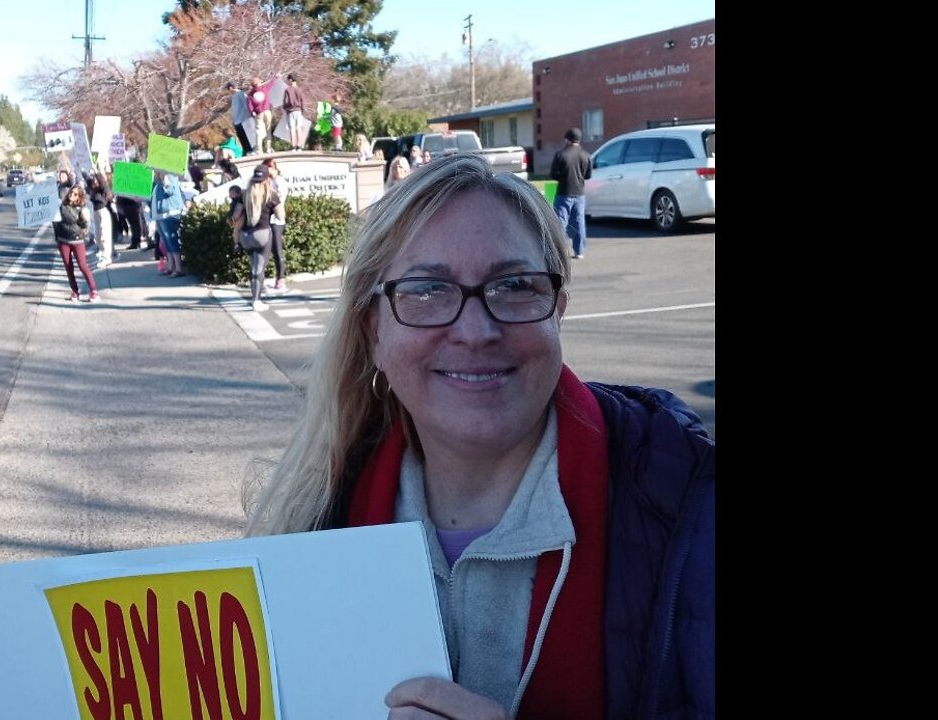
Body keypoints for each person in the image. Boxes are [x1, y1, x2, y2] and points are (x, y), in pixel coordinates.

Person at [244, 153, 714, 718]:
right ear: (373, 331)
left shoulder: (688, 507)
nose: (475, 331)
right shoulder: (315, 516)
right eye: (426, 290)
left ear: (557, 309)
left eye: (514, 284)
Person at [229, 164, 284, 311]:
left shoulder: (244, 194)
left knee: (252, 266)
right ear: (267, 179)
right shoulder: (272, 195)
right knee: (258, 269)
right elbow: (280, 216)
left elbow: (235, 216)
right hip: (262, 234)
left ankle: (255, 296)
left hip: (245, 236)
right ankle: (256, 300)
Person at [550, 127, 593, 259]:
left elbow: (553, 175)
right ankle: (579, 251)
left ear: (567, 140)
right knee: (579, 221)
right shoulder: (586, 155)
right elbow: (588, 175)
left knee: (561, 221)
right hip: (579, 193)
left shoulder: (560, 155)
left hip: (564, 191)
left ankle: (559, 252)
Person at [52, 185, 98, 302]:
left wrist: (85, 222)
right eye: (71, 192)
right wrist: (57, 237)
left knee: (83, 265)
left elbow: (85, 227)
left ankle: (93, 290)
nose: (72, 195)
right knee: (69, 267)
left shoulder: (82, 209)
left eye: (75, 194)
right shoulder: (61, 206)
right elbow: (55, 222)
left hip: (77, 241)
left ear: (79, 197)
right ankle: (75, 291)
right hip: (63, 241)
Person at [151, 170, 186, 277]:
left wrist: (165, 180)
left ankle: (178, 268)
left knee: (172, 241)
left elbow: (171, 191)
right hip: (161, 215)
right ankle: (171, 266)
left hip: (169, 214)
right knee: (167, 242)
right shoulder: (157, 182)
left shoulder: (169, 177)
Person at [263, 158, 289, 291]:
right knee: (266, 250)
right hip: (266, 220)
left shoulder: (279, 181)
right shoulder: (266, 181)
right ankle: (265, 277)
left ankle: (281, 278)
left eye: (269, 168)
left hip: (277, 221)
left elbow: (279, 198)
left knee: (277, 250)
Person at [247, 76, 278, 155]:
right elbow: (272, 84)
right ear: (258, 83)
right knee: (268, 130)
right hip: (267, 111)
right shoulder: (264, 89)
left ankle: (259, 149)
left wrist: (252, 112)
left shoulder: (250, 94)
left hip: (258, 113)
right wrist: (276, 77)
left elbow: (249, 105)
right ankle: (268, 148)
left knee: (258, 131)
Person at [281, 73, 308, 151]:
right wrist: (302, 108)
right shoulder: (299, 89)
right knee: (298, 128)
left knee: (292, 128)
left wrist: (285, 108)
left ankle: (293, 146)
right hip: (298, 110)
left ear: (290, 80)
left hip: (290, 111)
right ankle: (299, 146)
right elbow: (302, 100)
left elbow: (285, 101)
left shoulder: (287, 90)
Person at [226, 81, 254, 155]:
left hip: (243, 119)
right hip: (237, 120)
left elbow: (246, 104)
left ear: (231, 88)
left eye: (228, 89)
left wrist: (248, 114)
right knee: (241, 137)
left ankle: (250, 150)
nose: (228, 92)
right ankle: (247, 151)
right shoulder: (234, 96)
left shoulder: (240, 93)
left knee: (246, 136)